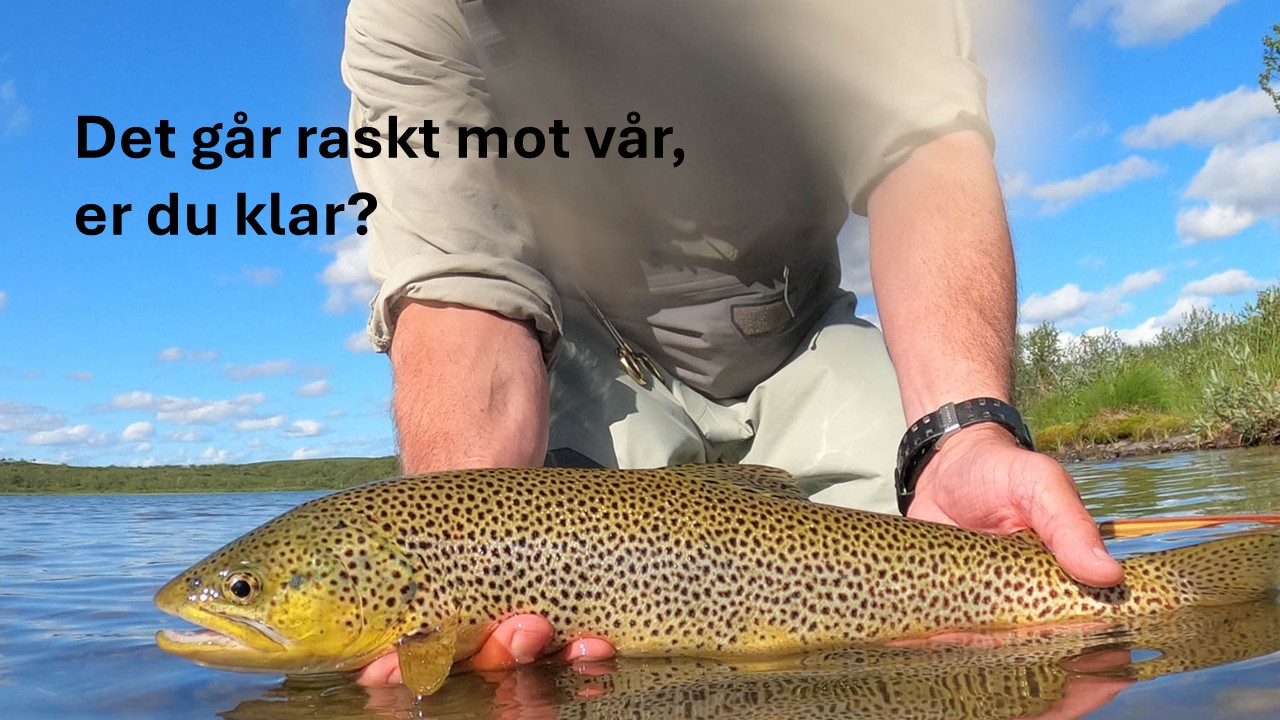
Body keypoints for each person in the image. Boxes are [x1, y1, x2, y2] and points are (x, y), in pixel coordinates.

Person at [340, 0, 1125, 685]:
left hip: (800, 337)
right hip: (591, 365)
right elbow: (462, 290)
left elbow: (919, 147)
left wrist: (961, 436)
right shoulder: (410, 15)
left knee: (959, 550)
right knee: (536, 650)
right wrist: (454, 570)